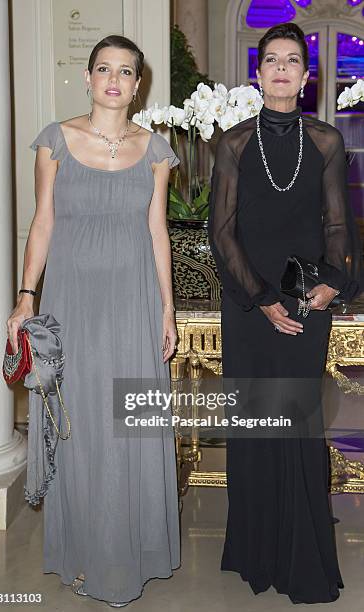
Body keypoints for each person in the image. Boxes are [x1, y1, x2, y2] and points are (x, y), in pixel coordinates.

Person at [6, 35, 181, 607]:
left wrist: (168, 308)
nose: (113, 79)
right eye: (103, 69)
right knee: (78, 426)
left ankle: (127, 552)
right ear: (87, 77)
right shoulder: (56, 140)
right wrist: (26, 295)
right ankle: (84, 551)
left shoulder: (156, 151)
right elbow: (42, 222)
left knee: (125, 424)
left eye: (125, 71)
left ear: (138, 84)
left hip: (133, 303)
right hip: (74, 303)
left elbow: (158, 234)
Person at [208, 22, 362, 605]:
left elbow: (338, 225)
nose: (280, 69)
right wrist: (262, 299)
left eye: (291, 60)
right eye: (270, 59)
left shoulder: (325, 141)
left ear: (304, 75)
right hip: (250, 302)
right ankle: (253, 547)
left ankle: (301, 552)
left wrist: (331, 285)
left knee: (298, 424)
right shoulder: (233, 142)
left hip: (307, 301)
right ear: (258, 72)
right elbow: (221, 233)